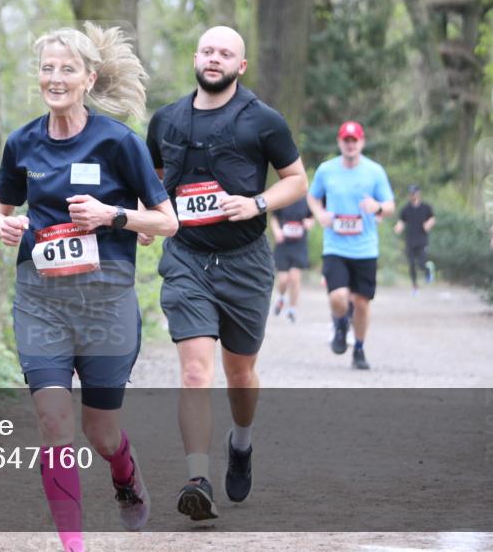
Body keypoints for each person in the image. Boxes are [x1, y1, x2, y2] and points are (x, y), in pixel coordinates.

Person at [0, 23, 177, 552]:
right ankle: (73, 545)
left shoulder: (118, 142)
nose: (55, 78)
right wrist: (5, 225)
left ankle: (124, 471)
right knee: (54, 422)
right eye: (47, 68)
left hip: (106, 302)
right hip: (41, 302)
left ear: (89, 78)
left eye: (67, 69)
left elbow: (167, 222)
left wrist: (111, 215)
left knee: (100, 432)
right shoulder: (22, 143)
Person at [145, 26, 307, 520]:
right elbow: (153, 181)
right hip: (186, 258)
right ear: (196, 58)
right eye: (208, 51)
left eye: (226, 54)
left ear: (241, 66)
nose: (215, 59)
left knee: (239, 373)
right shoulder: (167, 120)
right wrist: (148, 219)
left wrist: (257, 202)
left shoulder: (264, 121)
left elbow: (297, 181)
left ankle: (241, 442)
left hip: (245, 261)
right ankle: (198, 478)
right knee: (196, 370)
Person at [306, 121, 394, 371]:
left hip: (365, 248)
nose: (351, 144)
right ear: (340, 142)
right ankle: (340, 324)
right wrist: (319, 214)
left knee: (361, 303)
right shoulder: (326, 170)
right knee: (338, 297)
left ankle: (359, 349)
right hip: (335, 247)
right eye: (346, 140)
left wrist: (377, 207)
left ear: (362, 142)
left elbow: (390, 205)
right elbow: (312, 197)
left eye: (355, 140)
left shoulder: (374, 171)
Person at [270, 197, 314, 322]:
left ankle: (292, 310)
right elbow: (274, 218)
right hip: (283, 244)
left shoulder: (306, 200)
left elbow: (312, 216)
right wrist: (277, 231)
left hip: (299, 245)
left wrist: (310, 222)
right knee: (283, 279)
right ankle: (281, 298)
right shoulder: (284, 198)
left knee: (295, 278)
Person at [394, 184, 435, 294]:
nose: (412, 195)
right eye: (411, 193)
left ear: (418, 193)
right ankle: (415, 287)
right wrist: (398, 228)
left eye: (414, 193)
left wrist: (428, 224)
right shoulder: (405, 209)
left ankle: (428, 271)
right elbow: (401, 221)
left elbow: (432, 218)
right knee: (411, 265)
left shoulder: (426, 207)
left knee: (421, 263)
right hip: (410, 241)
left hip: (422, 241)